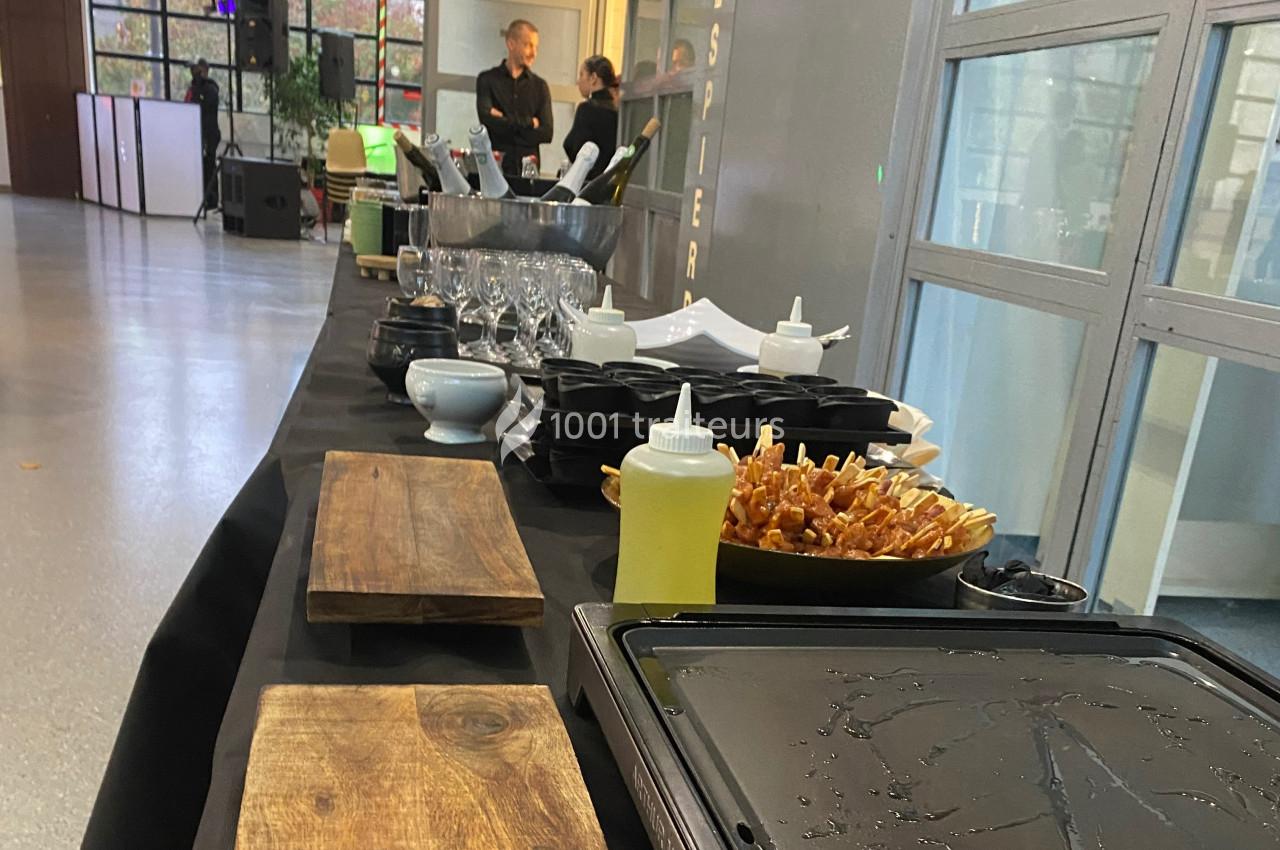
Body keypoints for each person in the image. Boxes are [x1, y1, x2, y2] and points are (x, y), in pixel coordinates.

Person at [475, 19, 553, 175]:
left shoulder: (540, 86)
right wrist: (530, 123)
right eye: (528, 45)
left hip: (528, 171)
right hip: (495, 169)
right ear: (511, 44)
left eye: (536, 47)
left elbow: (546, 133)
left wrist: (504, 119)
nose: (533, 53)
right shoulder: (487, 80)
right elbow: (487, 121)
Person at [563, 55, 619, 179]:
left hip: (588, 180)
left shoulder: (587, 109)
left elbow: (571, 145)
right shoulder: (618, 111)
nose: (578, 81)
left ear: (593, 78)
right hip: (609, 180)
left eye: (582, 75)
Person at [185, 59, 221, 208]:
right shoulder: (194, 88)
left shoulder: (210, 89)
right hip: (196, 133)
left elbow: (207, 108)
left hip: (209, 133)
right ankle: (200, 196)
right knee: (200, 167)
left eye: (198, 72)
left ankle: (211, 199)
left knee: (209, 167)